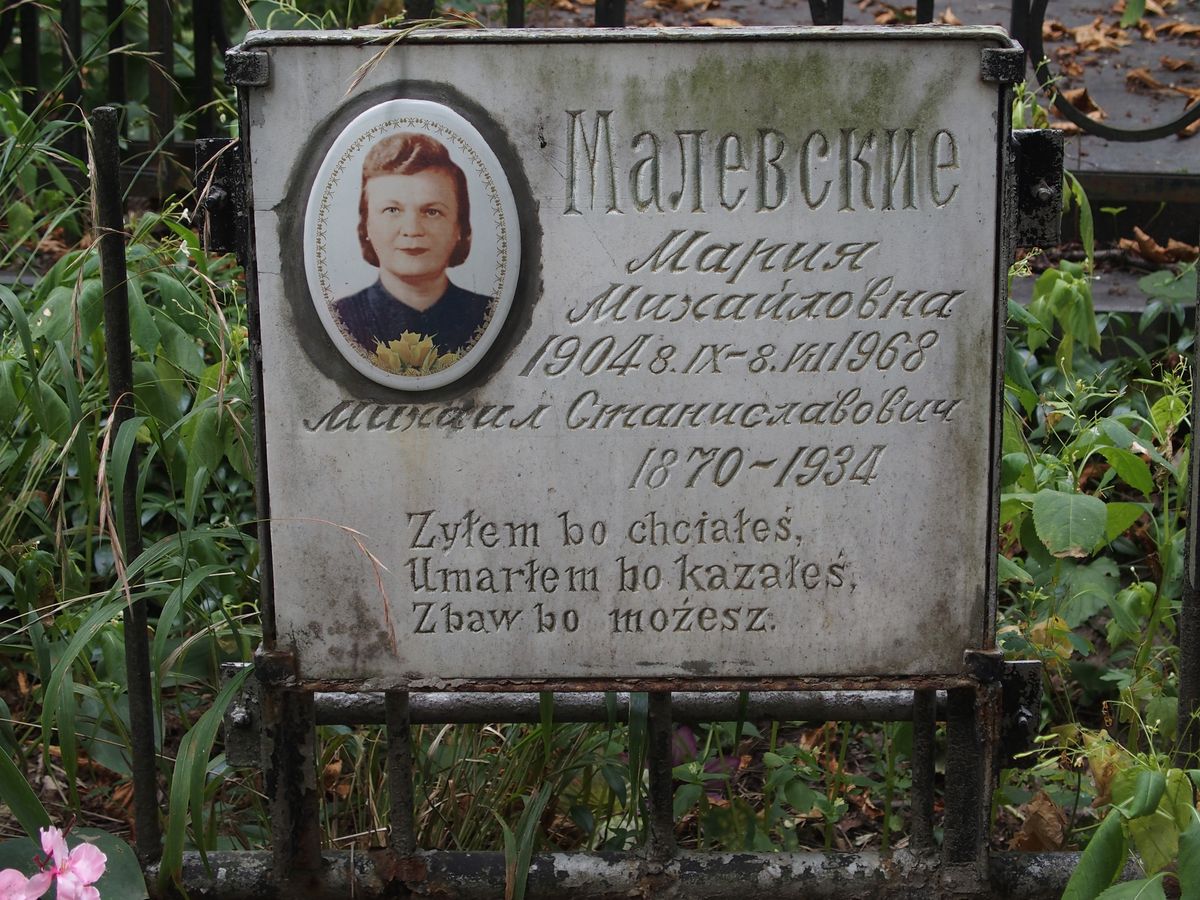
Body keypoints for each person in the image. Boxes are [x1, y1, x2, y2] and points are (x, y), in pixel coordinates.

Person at [334, 132, 492, 363]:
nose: (412, 229)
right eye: (392, 210)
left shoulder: (488, 316)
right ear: (366, 225)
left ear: (459, 227)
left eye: (432, 212)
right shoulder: (342, 319)